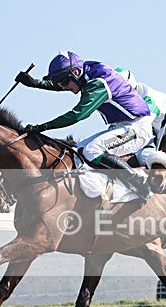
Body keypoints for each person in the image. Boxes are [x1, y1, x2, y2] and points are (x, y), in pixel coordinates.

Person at [14, 51, 153, 199]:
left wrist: (42, 127)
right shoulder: (85, 72)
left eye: (64, 82)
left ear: (75, 72)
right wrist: (34, 83)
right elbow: (63, 83)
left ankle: (139, 181)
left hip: (138, 128)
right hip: (123, 126)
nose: (63, 87)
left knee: (92, 150)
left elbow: (78, 114)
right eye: (60, 83)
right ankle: (99, 193)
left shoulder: (98, 83)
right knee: (77, 153)